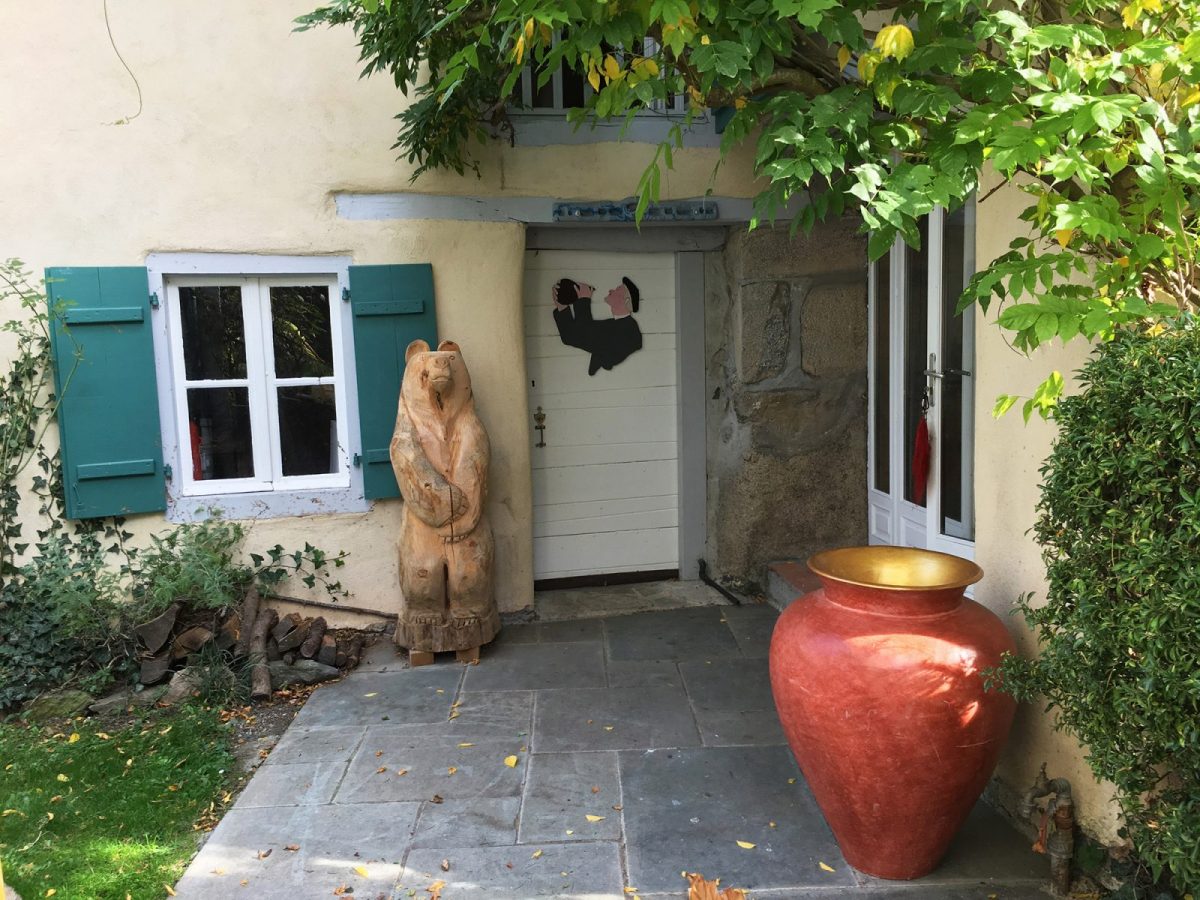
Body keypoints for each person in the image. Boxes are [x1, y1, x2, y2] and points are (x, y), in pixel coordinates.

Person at [551, 276, 643, 375]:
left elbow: (581, 334)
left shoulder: (628, 330)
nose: (611, 290)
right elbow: (572, 337)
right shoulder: (617, 324)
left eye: (617, 290)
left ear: (626, 300)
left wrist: (583, 299)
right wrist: (563, 307)